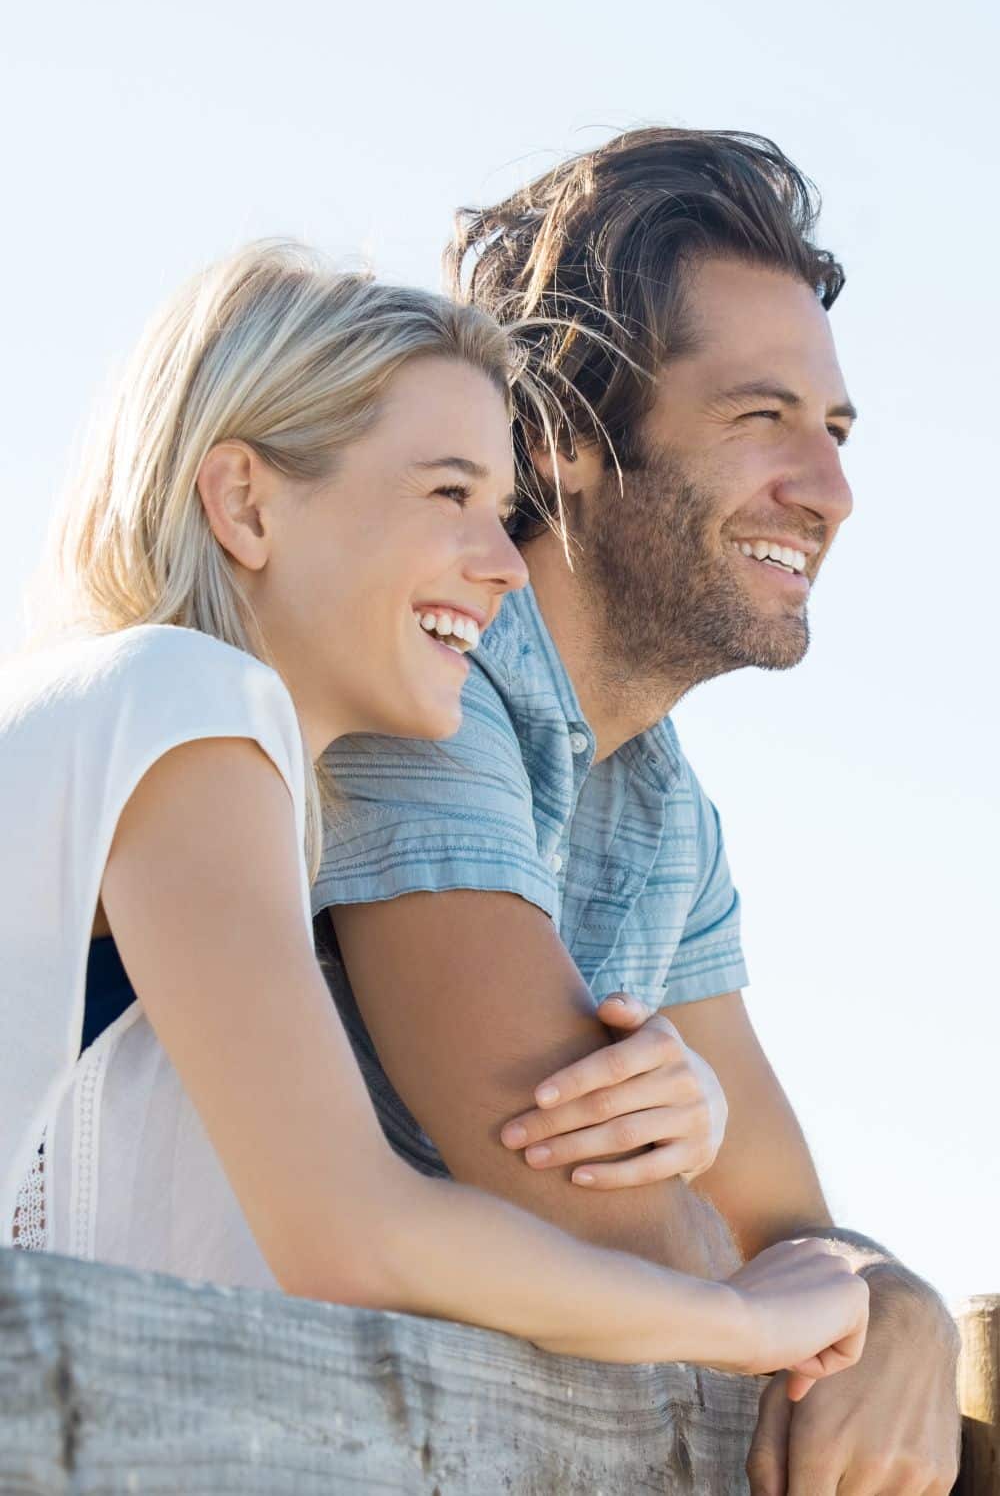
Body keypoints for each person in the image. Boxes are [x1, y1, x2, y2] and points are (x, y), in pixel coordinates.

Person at [0, 241, 868, 1393]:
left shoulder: (224, 779)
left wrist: (691, 1122)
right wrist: (739, 1320)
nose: (506, 564)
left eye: (504, 510)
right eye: (449, 493)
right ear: (245, 503)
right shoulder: (184, 702)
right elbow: (355, 1231)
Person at [313, 132, 961, 1492]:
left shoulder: (663, 803)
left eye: (834, 432)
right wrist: (813, 1287)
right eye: (759, 416)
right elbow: (571, 1198)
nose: (830, 490)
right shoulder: (428, 675)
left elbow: (789, 1221)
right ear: (566, 433)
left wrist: (899, 1302)